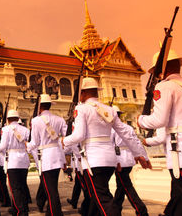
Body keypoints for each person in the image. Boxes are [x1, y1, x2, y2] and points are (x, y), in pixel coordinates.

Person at [63, 77, 151, 216]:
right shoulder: (109, 110)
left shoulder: (81, 108)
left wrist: (64, 141)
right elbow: (125, 133)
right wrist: (140, 155)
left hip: (93, 161)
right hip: (110, 160)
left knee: (102, 198)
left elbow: (79, 135)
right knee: (96, 197)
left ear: (83, 93)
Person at [138, 49, 182, 216]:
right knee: (179, 199)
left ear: (162, 70)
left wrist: (141, 120)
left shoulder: (164, 87)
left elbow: (159, 120)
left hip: (181, 154)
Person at [27, 94, 67, 216]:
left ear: (39, 107)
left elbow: (35, 142)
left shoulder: (35, 121)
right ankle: (50, 212)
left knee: (51, 191)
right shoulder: (60, 119)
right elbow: (65, 137)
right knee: (52, 187)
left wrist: (26, 145)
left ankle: (56, 213)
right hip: (58, 155)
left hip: (47, 158)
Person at [111, 105, 148, 216]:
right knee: (121, 187)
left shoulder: (112, 129)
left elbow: (111, 146)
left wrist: (114, 161)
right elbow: (137, 143)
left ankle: (141, 210)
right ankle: (116, 211)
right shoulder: (128, 127)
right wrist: (143, 157)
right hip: (129, 158)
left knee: (127, 187)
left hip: (119, 160)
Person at [0, 110, 30, 216]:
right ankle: (20, 208)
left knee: (15, 188)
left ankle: (21, 212)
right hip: (24, 160)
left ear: (8, 119)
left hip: (13, 161)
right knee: (22, 186)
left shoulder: (6, 129)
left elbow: (3, 145)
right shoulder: (25, 129)